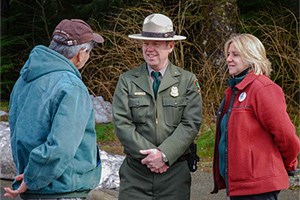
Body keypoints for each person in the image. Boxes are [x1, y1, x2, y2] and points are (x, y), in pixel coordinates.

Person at [4, 19, 104, 199]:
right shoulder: (72, 87)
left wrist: (30, 176)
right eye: (89, 52)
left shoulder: (24, 79)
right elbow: (61, 146)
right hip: (60, 190)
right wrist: (32, 177)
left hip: (32, 186)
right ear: (81, 54)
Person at [112, 13, 203, 200]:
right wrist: (152, 157)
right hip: (136, 173)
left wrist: (164, 154)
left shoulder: (187, 81)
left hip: (174, 174)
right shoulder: (127, 80)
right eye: (146, 43)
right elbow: (122, 123)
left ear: (170, 46)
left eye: (156, 43)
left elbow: (190, 123)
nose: (149, 49)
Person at [211, 33, 300, 200]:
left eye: (235, 54)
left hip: (259, 189)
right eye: (228, 54)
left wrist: (288, 164)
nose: (229, 59)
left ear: (251, 57)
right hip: (241, 188)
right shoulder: (234, 91)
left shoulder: (262, 88)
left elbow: (286, 136)